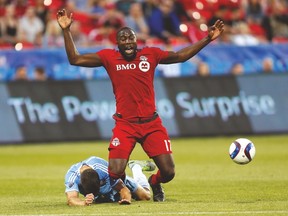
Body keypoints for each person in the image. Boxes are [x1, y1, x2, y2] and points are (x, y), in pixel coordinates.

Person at [57, 9, 224, 204]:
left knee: (169, 172)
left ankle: (154, 182)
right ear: (117, 44)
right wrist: (66, 30)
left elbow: (180, 56)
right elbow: (75, 59)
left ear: (136, 41)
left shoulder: (150, 54)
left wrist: (207, 39)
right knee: (114, 171)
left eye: (131, 38)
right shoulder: (109, 57)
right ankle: (125, 191)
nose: (127, 41)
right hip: (125, 125)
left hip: (151, 123)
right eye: (123, 39)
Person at [64, 156, 156, 206]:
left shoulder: (103, 169)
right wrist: (83, 202)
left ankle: (136, 167)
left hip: (114, 183)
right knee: (103, 200)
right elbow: (71, 199)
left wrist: (126, 199)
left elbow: (123, 189)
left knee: (146, 196)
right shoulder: (72, 176)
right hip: (104, 193)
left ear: (99, 179)